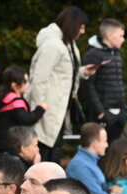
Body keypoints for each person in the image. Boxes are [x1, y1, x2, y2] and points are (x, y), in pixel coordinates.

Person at [27, 6, 95, 164]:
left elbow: (63, 73)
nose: (83, 32)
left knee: (53, 156)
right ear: (73, 25)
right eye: (82, 27)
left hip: (57, 112)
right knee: (44, 157)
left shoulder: (68, 45)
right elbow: (39, 78)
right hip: (47, 112)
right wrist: (39, 108)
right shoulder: (53, 45)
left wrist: (83, 71)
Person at [66, 122, 127, 194]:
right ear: (95, 143)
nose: (107, 145)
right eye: (105, 141)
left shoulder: (89, 163)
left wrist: (109, 193)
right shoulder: (81, 167)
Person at [79, 18, 126, 134]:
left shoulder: (116, 53)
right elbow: (88, 85)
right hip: (103, 112)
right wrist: (100, 111)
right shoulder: (93, 55)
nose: (123, 40)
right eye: (120, 36)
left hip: (119, 111)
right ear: (110, 36)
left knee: (116, 148)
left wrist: (124, 108)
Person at [0, 66, 47, 156]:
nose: (28, 84)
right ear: (14, 85)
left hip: (0, 141)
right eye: (25, 82)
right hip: (10, 143)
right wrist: (40, 110)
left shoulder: (3, 97)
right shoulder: (15, 101)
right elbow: (25, 119)